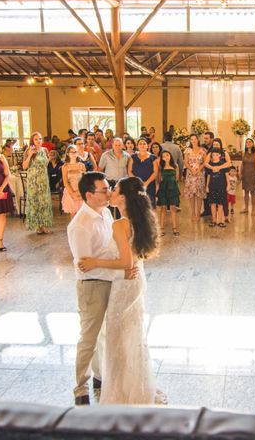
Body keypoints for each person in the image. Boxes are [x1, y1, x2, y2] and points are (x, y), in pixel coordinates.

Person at [77, 176, 164, 405]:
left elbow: (127, 263)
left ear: (123, 197)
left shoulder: (120, 223)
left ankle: (123, 393)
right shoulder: (136, 219)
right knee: (131, 336)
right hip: (134, 281)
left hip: (124, 285)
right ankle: (135, 386)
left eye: (113, 190)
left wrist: (95, 262)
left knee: (118, 339)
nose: (110, 193)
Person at [68, 172, 128, 405]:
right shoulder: (80, 225)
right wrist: (117, 266)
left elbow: (107, 249)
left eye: (108, 188)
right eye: (104, 190)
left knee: (103, 333)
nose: (109, 192)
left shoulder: (104, 213)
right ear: (89, 195)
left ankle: (99, 376)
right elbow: (85, 265)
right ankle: (80, 386)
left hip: (109, 279)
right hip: (92, 286)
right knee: (89, 337)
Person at [22, 132, 53, 234]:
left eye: (40, 139)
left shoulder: (44, 150)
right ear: (32, 141)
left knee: (44, 202)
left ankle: (44, 225)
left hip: (43, 180)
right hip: (33, 181)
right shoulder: (28, 150)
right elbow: (24, 166)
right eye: (36, 139)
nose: (38, 141)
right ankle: (37, 226)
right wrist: (30, 154)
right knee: (35, 202)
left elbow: (46, 163)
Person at [128, 138, 159, 207]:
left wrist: (146, 183)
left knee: (150, 206)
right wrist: (138, 183)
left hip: (149, 185)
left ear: (148, 146)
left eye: (144, 143)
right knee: (136, 206)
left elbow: (155, 172)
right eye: (140, 144)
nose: (142, 145)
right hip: (136, 185)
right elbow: (129, 171)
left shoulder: (153, 158)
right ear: (137, 146)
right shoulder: (133, 157)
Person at [156, 150, 180, 236]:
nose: (166, 157)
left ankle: (175, 228)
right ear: (162, 158)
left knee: (173, 208)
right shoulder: (160, 167)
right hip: (163, 189)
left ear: (170, 156)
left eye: (167, 155)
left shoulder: (175, 166)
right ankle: (161, 228)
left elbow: (177, 178)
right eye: (164, 156)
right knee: (163, 208)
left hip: (173, 189)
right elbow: (158, 179)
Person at [183, 134, 206, 222]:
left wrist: (199, 169)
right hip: (190, 174)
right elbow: (185, 162)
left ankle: (198, 213)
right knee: (191, 194)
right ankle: (193, 213)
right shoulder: (187, 150)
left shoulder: (203, 150)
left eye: (195, 139)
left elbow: (205, 162)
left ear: (198, 140)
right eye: (191, 139)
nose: (193, 141)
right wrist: (191, 170)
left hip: (199, 174)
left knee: (199, 194)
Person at [205, 149, 229, 227]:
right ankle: (214, 220)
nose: (214, 156)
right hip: (212, 186)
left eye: (216, 155)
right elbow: (208, 176)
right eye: (213, 155)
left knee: (220, 203)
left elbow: (226, 175)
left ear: (219, 155)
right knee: (212, 203)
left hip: (221, 186)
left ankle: (220, 221)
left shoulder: (223, 164)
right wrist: (207, 186)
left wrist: (228, 184)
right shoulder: (210, 165)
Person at [62, 145, 87, 218]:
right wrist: (73, 194)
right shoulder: (65, 166)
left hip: (80, 190)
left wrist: (80, 192)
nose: (73, 154)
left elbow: (85, 180)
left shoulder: (81, 165)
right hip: (70, 191)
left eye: (75, 152)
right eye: (71, 152)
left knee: (82, 214)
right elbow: (65, 182)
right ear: (68, 154)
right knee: (73, 214)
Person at [240, 138, 255, 214]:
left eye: (250, 142)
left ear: (253, 144)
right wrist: (240, 173)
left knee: (253, 192)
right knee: (246, 192)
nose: (248, 143)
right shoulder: (244, 153)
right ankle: (246, 208)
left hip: (253, 174)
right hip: (245, 174)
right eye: (247, 142)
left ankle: (253, 209)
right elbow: (242, 164)